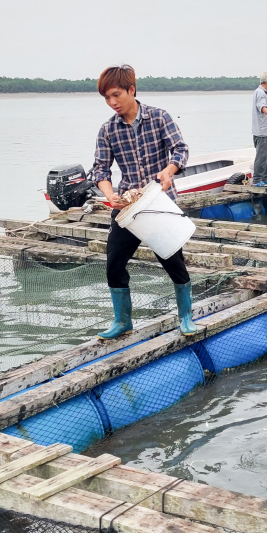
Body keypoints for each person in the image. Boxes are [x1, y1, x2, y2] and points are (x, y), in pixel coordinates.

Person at [91, 64, 198, 340]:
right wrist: (109, 194)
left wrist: (169, 171)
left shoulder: (159, 118)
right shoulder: (108, 130)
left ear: (131, 90)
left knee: (172, 259)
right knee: (114, 262)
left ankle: (185, 315)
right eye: (106, 98)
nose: (112, 103)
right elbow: (100, 170)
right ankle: (123, 321)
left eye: (116, 95)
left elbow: (180, 149)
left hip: (158, 202)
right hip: (127, 206)